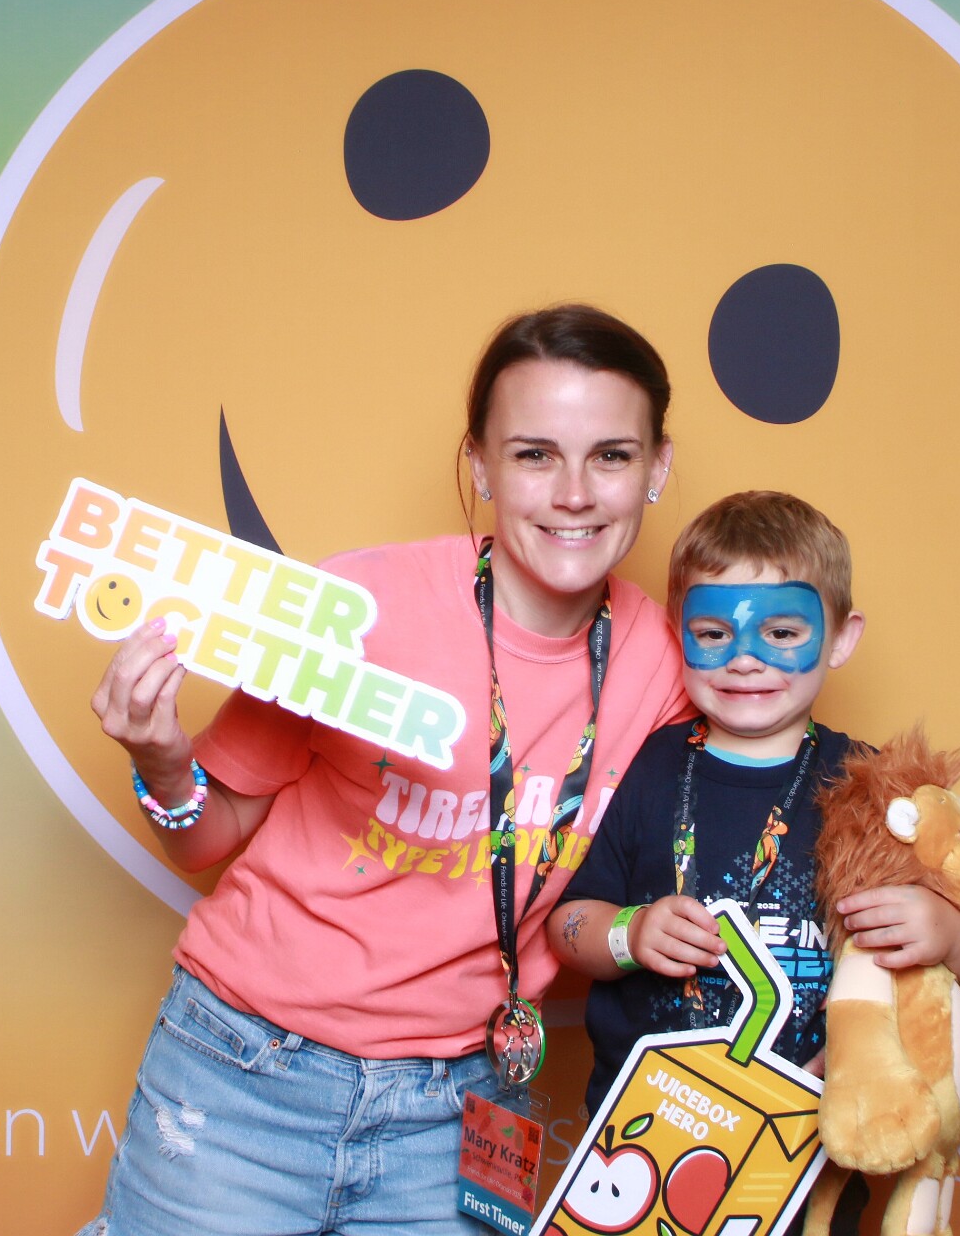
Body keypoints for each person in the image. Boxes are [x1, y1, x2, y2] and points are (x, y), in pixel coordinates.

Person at [77, 305, 689, 1236]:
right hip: (246, 1073)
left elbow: (775, 794)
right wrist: (161, 761)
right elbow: (210, 837)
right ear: (479, 465)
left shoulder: (668, 662)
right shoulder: (359, 605)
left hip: (468, 1107)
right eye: (534, 455)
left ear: (658, 469)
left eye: (611, 455)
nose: (574, 493)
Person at [545, 489, 960, 1150]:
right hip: (639, 1139)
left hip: (809, 1144)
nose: (744, 659)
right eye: (713, 634)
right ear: (677, 630)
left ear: (841, 638)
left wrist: (949, 930)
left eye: (782, 634)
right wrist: (630, 933)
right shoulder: (643, 764)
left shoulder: (877, 787)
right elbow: (566, 925)